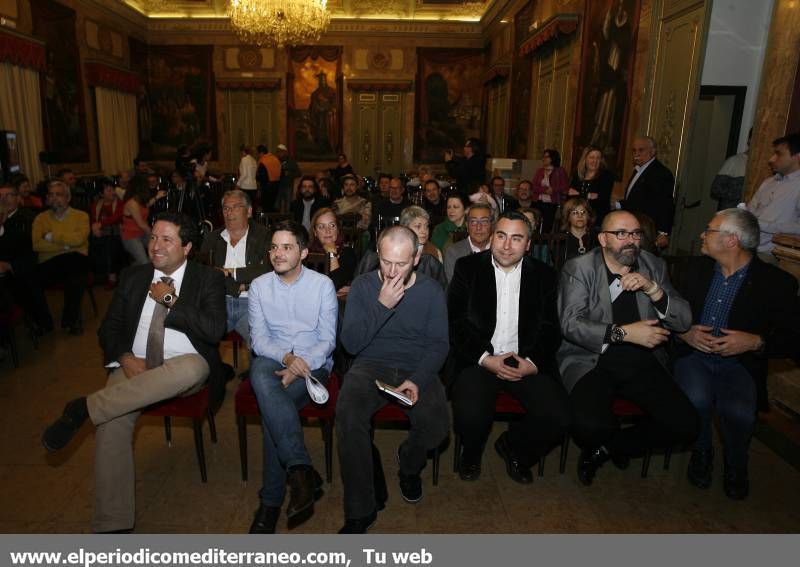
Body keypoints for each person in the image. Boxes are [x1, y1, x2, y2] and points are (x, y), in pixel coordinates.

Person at [41, 212, 227, 533]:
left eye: (166, 240)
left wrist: (168, 300)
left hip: (181, 366)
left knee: (195, 366)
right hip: (134, 363)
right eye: (153, 237)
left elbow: (213, 331)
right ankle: (112, 525)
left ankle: (84, 408)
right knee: (112, 422)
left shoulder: (207, 278)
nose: (155, 246)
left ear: (187, 247)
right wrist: (125, 357)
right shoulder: (134, 276)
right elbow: (109, 329)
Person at [557, 210, 698, 485]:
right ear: (603, 239)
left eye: (635, 233)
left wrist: (654, 290)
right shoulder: (580, 268)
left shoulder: (652, 265)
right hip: (592, 359)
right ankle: (603, 442)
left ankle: (611, 448)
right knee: (590, 426)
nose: (630, 240)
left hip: (643, 360)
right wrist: (624, 333)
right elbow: (571, 325)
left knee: (686, 425)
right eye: (621, 234)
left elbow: (683, 321)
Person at [674, 208, 800, 500]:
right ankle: (702, 451)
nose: (702, 235)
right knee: (695, 399)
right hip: (695, 358)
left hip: (741, 364)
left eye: (710, 230)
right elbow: (668, 313)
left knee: (739, 413)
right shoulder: (695, 270)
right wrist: (684, 332)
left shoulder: (776, 283)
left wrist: (756, 342)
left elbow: (794, 338)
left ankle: (736, 464)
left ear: (732, 240)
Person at [337, 226, 449, 533]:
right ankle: (361, 510)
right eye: (386, 261)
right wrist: (381, 305)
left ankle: (409, 466)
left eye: (401, 263)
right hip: (371, 364)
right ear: (377, 254)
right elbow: (351, 344)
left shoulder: (430, 290)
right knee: (348, 414)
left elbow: (439, 344)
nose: (392, 271)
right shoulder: (362, 286)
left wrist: (418, 379)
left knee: (437, 426)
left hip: (417, 364)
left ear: (416, 257)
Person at [448, 210, 569, 483]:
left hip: (524, 359)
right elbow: (455, 323)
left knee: (559, 416)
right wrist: (485, 359)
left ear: (528, 245)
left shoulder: (545, 276)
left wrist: (532, 363)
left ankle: (515, 448)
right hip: (479, 357)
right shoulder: (467, 268)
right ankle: (472, 452)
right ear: (492, 237)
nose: (506, 245)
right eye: (501, 236)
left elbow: (551, 328)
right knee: (470, 413)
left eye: (516, 239)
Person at [246, 220, 337, 533]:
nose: (278, 253)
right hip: (274, 362)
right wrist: (287, 358)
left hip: (316, 367)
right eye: (274, 246)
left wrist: (302, 364)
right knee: (260, 370)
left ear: (303, 251)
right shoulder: (259, 287)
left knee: (274, 409)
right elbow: (259, 340)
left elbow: (327, 340)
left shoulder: (322, 286)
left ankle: (270, 503)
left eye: (287, 247)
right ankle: (300, 469)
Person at [199, 189, 271, 345]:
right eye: (225, 208)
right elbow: (203, 273)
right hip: (218, 303)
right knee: (198, 340)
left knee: (259, 347)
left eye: (236, 207)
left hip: (252, 304)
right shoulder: (212, 238)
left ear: (249, 211)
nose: (229, 212)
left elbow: (267, 270)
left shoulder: (264, 235)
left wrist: (230, 272)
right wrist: (237, 286)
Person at [31, 180, 90, 335]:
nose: (55, 198)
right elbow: (37, 244)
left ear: (68, 197)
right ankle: (45, 322)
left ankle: (70, 320)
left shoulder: (81, 216)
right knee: (30, 281)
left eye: (59, 194)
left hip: (75, 260)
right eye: (51, 195)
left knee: (75, 276)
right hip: (50, 263)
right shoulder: (40, 219)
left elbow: (79, 239)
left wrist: (50, 236)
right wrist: (65, 245)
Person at [746, 132, 800, 263]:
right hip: (746, 248)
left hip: (774, 256)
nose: (771, 159)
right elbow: (750, 211)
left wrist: (765, 225)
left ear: (797, 157)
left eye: (779, 154)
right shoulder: (768, 182)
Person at [621, 136, 675, 249]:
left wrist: (663, 233)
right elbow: (637, 199)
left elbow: (666, 205)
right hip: (632, 227)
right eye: (634, 150)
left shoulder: (661, 173)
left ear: (653, 151)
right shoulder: (638, 169)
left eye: (641, 150)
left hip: (646, 230)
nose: (636, 153)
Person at [0, 183, 39, 327]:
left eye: (8, 195)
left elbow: (30, 251)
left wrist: (9, 265)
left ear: (18, 199)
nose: (4, 200)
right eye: (0, 196)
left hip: (21, 270)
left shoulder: (27, 218)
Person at [308, 207, 357, 295]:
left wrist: (332, 254)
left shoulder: (348, 252)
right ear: (315, 232)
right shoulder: (308, 254)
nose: (328, 231)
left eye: (332, 225)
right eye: (321, 227)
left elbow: (335, 284)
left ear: (338, 230)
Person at [443, 202, 493, 283]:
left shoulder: (500, 251)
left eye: (484, 221)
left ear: (491, 224)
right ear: (467, 225)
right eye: (473, 222)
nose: (478, 227)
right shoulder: (454, 252)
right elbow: (456, 289)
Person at [90, 178, 124, 289]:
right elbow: (93, 220)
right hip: (101, 232)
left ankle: (112, 277)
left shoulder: (119, 203)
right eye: (108, 190)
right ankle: (98, 275)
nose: (112, 192)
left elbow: (116, 218)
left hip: (116, 233)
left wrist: (100, 225)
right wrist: (95, 228)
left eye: (112, 190)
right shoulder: (96, 205)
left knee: (109, 244)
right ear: (101, 193)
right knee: (92, 244)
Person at [569, 145, 614, 225]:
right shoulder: (577, 175)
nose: (595, 161)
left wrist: (579, 194)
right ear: (585, 159)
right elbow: (569, 197)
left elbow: (602, 199)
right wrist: (588, 195)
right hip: (577, 217)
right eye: (592, 157)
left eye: (598, 158)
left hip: (597, 219)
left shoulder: (606, 176)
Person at [710, 131, 750, 210]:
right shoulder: (735, 161)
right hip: (730, 215)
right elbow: (715, 188)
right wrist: (738, 192)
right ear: (749, 140)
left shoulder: (765, 167)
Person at [532, 149, 569, 232]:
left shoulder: (560, 171)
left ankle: (544, 244)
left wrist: (554, 190)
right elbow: (533, 186)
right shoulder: (539, 171)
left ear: (553, 158)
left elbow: (565, 187)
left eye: (546, 157)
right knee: (535, 224)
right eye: (543, 157)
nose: (543, 159)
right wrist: (545, 190)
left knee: (547, 225)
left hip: (552, 204)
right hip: (537, 201)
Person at [121, 177, 152, 265]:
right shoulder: (132, 203)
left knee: (158, 253)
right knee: (144, 262)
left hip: (141, 234)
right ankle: (131, 273)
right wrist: (154, 234)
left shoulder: (139, 201)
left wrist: (157, 197)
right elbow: (141, 224)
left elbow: (147, 206)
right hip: (130, 236)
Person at [560, 197, 598, 263]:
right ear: (568, 217)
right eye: (575, 212)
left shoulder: (596, 238)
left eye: (583, 212)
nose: (580, 216)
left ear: (588, 216)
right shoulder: (560, 240)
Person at [276, 143, 301, 213]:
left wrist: (290, 174)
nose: (278, 154)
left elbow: (299, 173)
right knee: (278, 205)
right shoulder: (277, 161)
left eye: (280, 152)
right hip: (279, 186)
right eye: (277, 152)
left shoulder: (291, 161)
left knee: (288, 205)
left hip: (288, 186)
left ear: (284, 152)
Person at [256, 144, 282, 212]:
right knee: (272, 205)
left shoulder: (263, 160)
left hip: (267, 186)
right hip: (277, 185)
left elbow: (262, 176)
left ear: (261, 152)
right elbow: (282, 173)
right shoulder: (276, 159)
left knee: (266, 207)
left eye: (258, 154)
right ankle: (272, 220)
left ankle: (267, 221)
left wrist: (257, 179)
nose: (258, 156)